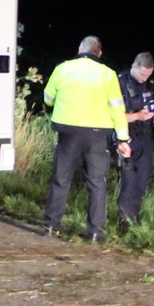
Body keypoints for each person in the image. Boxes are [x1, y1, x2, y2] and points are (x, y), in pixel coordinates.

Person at [42, 35, 131, 243]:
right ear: (99, 53)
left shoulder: (62, 68)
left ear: (80, 48)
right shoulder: (108, 75)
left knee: (61, 179)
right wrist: (123, 139)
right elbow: (118, 109)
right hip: (97, 135)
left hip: (67, 132)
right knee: (97, 182)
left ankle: (51, 226)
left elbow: (48, 98)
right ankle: (94, 233)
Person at [115, 51, 154, 227]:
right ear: (133, 66)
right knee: (128, 180)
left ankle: (135, 220)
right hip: (124, 136)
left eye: (148, 75)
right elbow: (112, 117)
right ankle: (124, 222)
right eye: (143, 74)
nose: (145, 78)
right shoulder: (119, 83)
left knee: (141, 179)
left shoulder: (150, 84)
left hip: (144, 137)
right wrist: (137, 116)